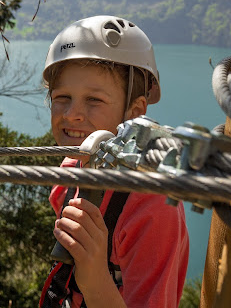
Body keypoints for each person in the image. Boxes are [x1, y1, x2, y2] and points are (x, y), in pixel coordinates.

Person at [39, 16, 189, 308]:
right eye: (62, 97)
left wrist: (95, 280)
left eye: (93, 100)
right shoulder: (70, 171)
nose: (71, 114)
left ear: (135, 113)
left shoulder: (153, 208)